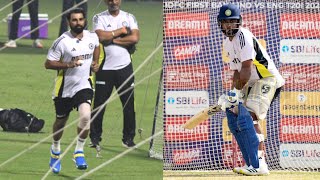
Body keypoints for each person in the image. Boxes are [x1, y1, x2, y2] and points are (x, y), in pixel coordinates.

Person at [216, 4, 285, 176]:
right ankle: (254, 163)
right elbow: (237, 72)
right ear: (220, 24)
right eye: (226, 22)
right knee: (238, 114)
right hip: (252, 82)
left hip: (267, 78)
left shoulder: (243, 36)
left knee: (249, 114)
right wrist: (231, 94)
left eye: (233, 21)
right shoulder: (227, 42)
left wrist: (235, 93)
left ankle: (259, 165)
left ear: (239, 22)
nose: (230, 26)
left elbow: (247, 67)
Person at [44, 8, 100, 174]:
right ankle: (55, 151)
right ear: (69, 22)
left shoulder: (92, 36)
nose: (78, 23)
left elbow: (96, 46)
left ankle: (79, 151)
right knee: (60, 122)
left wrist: (95, 62)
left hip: (84, 84)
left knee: (85, 116)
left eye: (81, 19)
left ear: (85, 20)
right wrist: (68, 64)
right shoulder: (62, 41)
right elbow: (48, 63)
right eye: (74, 20)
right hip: (65, 87)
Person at [89, 0, 139, 148]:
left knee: (128, 104)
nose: (113, 2)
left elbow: (135, 38)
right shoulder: (99, 17)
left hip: (125, 68)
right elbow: (100, 37)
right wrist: (121, 32)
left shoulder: (130, 17)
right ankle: (95, 138)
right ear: (105, 1)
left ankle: (128, 139)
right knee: (99, 105)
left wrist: (113, 40)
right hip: (105, 68)